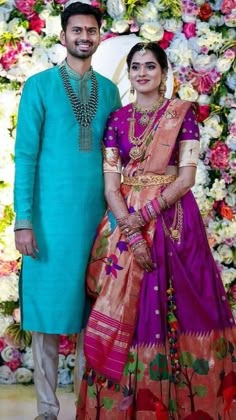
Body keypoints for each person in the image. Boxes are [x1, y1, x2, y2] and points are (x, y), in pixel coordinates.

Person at [76, 42, 236, 419]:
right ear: (129, 74)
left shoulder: (183, 115)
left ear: (164, 72)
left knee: (182, 303)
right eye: (136, 67)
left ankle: (185, 403)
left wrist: (144, 214)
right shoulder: (118, 120)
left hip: (174, 222)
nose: (142, 73)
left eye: (150, 66)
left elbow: (186, 178)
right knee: (125, 306)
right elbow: (110, 185)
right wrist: (130, 231)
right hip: (125, 222)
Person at [13, 2, 121, 419]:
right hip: (47, 222)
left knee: (88, 313)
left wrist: (114, 222)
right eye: (76, 30)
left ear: (98, 36)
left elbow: (114, 160)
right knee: (46, 315)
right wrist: (24, 221)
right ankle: (46, 409)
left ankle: (84, 406)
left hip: (94, 223)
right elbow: (26, 157)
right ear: (63, 36)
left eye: (91, 30)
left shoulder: (109, 92)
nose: (83, 36)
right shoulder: (38, 87)